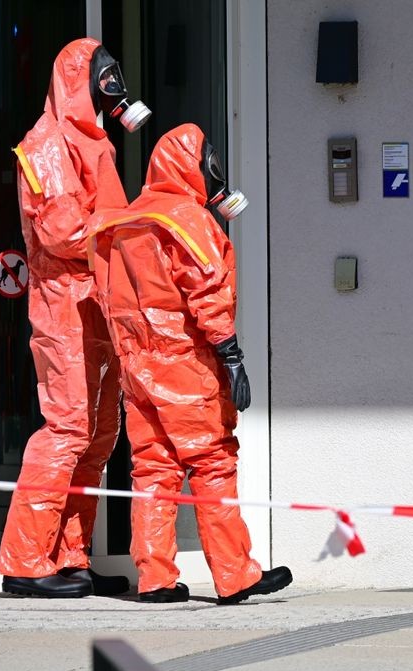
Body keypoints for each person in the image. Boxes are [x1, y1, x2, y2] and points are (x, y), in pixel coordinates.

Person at [86, 123, 291, 604]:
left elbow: (105, 295)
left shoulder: (123, 222)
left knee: (152, 467)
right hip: (184, 362)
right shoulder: (187, 220)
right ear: (194, 165)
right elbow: (208, 296)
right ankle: (234, 574)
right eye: (209, 160)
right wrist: (232, 357)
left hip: (137, 366)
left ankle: (155, 578)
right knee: (213, 462)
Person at [0, 37, 151, 598]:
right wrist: (135, 235)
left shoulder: (94, 142)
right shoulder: (46, 145)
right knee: (66, 428)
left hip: (101, 300)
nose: (113, 90)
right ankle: (25, 561)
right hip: (65, 304)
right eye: (104, 79)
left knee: (98, 436)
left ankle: (69, 557)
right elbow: (62, 233)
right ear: (79, 81)